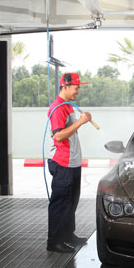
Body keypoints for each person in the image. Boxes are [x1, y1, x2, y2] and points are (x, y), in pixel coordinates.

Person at [46, 72, 92, 253]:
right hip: (62, 162)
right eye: (76, 87)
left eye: (79, 87)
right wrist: (80, 122)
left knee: (71, 202)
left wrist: (81, 119)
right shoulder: (58, 107)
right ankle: (54, 241)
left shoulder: (68, 107)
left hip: (73, 162)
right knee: (60, 203)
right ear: (64, 86)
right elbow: (58, 135)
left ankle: (68, 235)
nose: (78, 91)